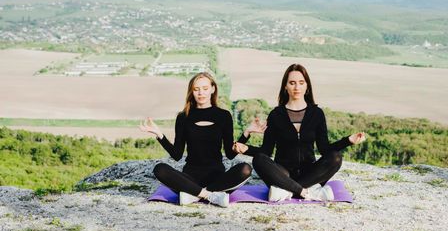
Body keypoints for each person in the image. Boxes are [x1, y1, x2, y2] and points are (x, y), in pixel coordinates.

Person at [233, 64, 366, 202]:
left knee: (336, 157)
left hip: (310, 174)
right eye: (292, 83)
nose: (297, 87)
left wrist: (348, 140)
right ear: (285, 86)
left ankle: (287, 191)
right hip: (282, 174)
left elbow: (325, 149)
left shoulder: (317, 114)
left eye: (301, 83)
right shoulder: (276, 115)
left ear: (307, 86)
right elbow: (266, 151)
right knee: (259, 159)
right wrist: (246, 149)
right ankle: (305, 191)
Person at [140, 72, 252, 207]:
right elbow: (177, 155)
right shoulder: (183, 117)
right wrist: (159, 134)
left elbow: (230, 153)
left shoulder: (224, 116)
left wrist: (246, 134)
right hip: (190, 178)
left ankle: (194, 195)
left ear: (213, 89)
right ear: (191, 92)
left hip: (217, 178)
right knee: (160, 169)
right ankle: (210, 195)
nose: (201, 93)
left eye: (205, 88)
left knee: (245, 169)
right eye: (196, 89)